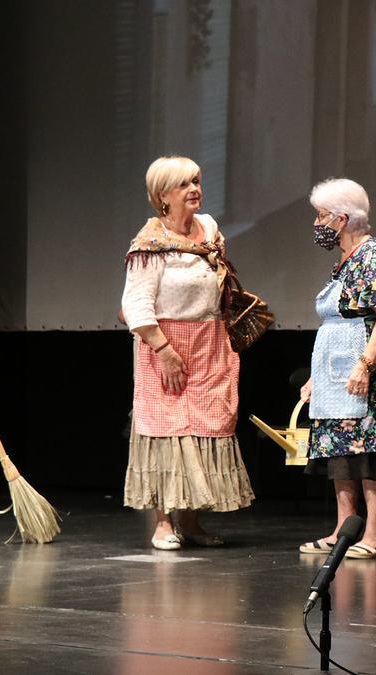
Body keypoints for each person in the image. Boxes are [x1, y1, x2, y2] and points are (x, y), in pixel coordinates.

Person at [121, 156, 254, 550]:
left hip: (209, 342)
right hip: (165, 344)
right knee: (166, 431)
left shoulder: (209, 228)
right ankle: (163, 523)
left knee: (204, 428)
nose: (195, 189)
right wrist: (164, 350)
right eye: (184, 184)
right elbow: (136, 306)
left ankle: (192, 521)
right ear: (163, 195)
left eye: (196, 181)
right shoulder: (149, 244)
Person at [298, 178, 376, 560]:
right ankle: (344, 532)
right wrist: (317, 377)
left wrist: (364, 366)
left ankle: (375, 535)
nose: (317, 224)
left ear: (341, 219)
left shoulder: (372, 253)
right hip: (335, 367)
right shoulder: (344, 260)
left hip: (366, 366)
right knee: (338, 446)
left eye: (321, 216)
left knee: (368, 444)